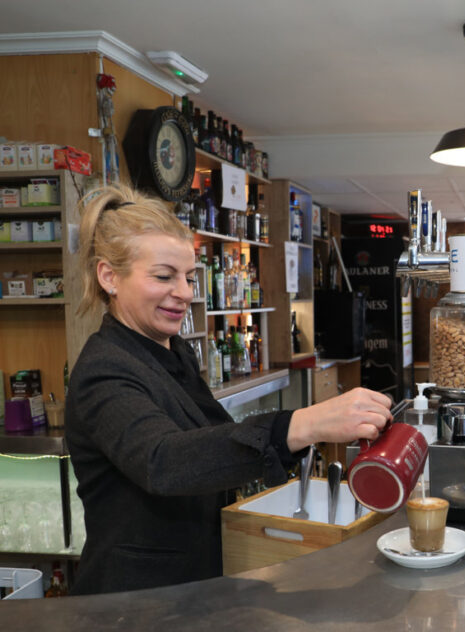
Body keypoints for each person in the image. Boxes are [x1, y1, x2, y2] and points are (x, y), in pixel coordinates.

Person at [66, 185, 394, 595]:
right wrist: (304, 423)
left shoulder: (173, 352)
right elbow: (163, 461)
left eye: (188, 277)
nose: (185, 292)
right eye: (164, 276)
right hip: (138, 599)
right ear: (109, 277)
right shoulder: (105, 369)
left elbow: (206, 438)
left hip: (197, 581)